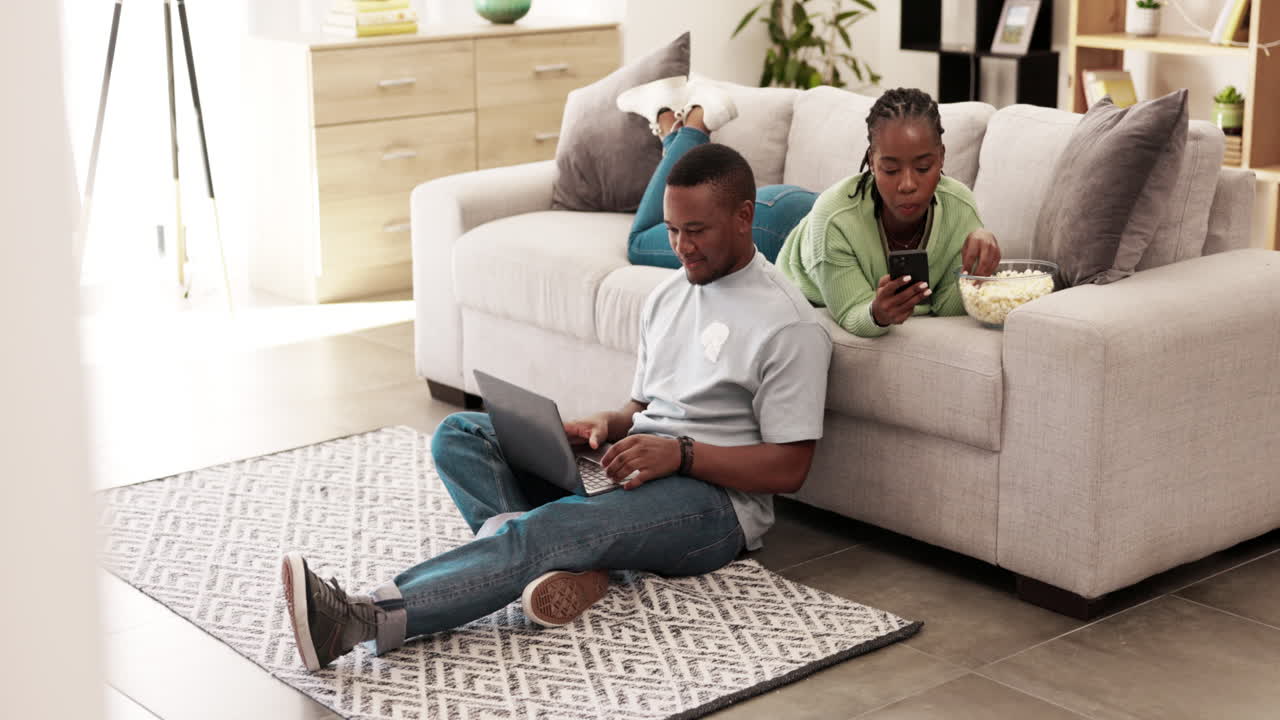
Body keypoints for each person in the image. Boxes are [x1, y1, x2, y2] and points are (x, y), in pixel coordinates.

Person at [279, 142, 833, 671]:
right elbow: (643, 405)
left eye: (696, 231)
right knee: (461, 434)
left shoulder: (787, 325)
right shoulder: (670, 293)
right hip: (638, 464)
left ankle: (359, 620)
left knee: (550, 529)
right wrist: (607, 424)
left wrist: (681, 455)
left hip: (714, 507)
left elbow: (791, 469)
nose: (681, 247)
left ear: (743, 216)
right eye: (671, 230)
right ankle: (581, 568)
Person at [774, 87, 1002, 337]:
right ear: (871, 162)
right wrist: (876, 314)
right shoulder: (833, 220)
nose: (907, 185)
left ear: (942, 157)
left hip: (830, 217)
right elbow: (851, 312)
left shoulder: (960, 208)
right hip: (775, 220)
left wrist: (976, 273)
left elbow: (947, 309)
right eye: (891, 170)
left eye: (923, 167)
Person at [617, 76, 819, 267]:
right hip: (779, 229)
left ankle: (669, 124)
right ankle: (698, 120)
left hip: (799, 206)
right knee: (639, 244)